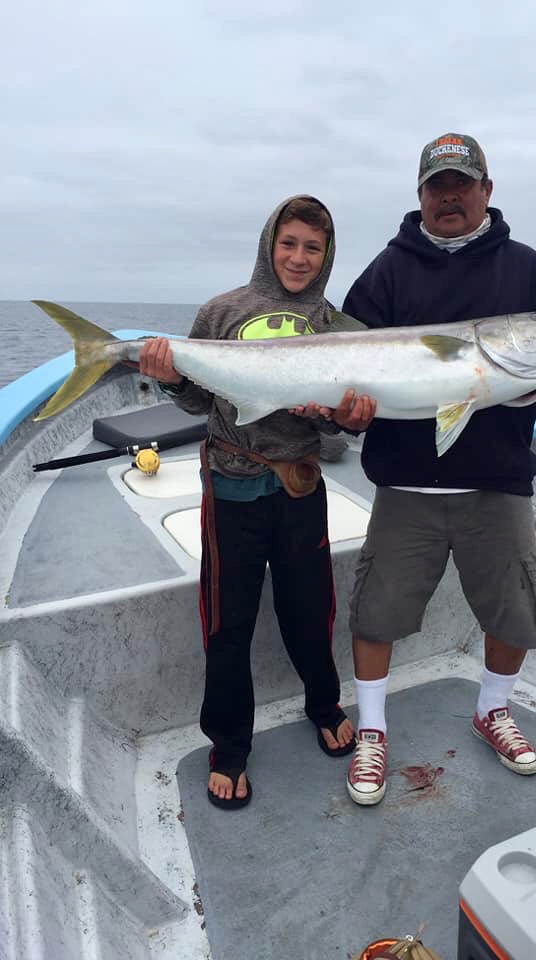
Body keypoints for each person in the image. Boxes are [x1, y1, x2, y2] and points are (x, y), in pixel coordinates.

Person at [341, 133, 536, 806]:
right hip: (404, 482)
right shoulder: (383, 274)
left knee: (513, 611)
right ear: (421, 195)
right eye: (438, 186)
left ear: (487, 190)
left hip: (497, 481)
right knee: (377, 612)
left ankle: (492, 709)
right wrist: (345, 414)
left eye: (463, 183)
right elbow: (343, 366)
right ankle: (371, 728)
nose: (450, 195)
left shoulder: (531, 272)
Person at [138, 195, 373, 809]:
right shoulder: (222, 312)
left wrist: (351, 420)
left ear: (327, 255)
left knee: (310, 608)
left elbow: (341, 427)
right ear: (270, 243)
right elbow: (195, 402)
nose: (299, 257)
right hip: (233, 485)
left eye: (312, 247)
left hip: (299, 485)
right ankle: (230, 746)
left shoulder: (336, 326)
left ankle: (323, 703)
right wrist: (167, 374)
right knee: (228, 621)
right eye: (289, 243)